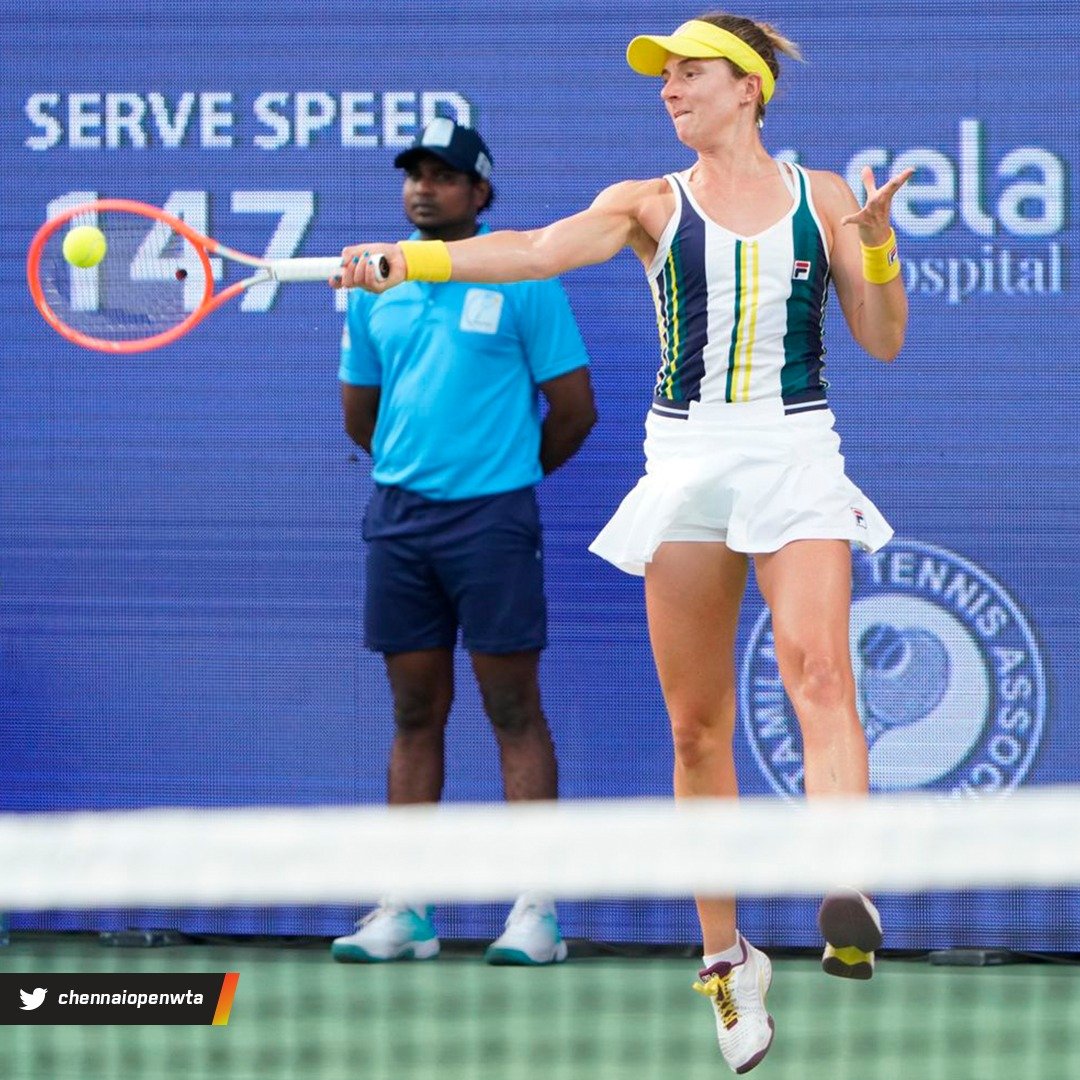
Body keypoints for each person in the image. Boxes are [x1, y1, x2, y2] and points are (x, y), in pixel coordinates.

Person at [336, 13, 912, 1072]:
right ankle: (728, 960)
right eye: (665, 77)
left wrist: (874, 241)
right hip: (687, 462)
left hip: (795, 455)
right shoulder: (647, 203)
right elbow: (531, 250)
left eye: (690, 73)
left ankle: (848, 878)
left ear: (748, 90)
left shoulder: (826, 199)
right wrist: (409, 259)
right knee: (697, 731)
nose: (668, 89)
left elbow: (881, 337)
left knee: (818, 668)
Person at [329, 118, 596, 968]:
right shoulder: (376, 286)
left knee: (513, 708)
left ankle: (536, 912)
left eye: (443, 177)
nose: (422, 188)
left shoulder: (525, 278)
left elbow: (576, 407)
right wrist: (424, 472)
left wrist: (505, 475)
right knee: (414, 713)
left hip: (493, 524)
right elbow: (360, 414)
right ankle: (406, 908)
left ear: (480, 193)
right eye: (414, 175)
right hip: (401, 522)